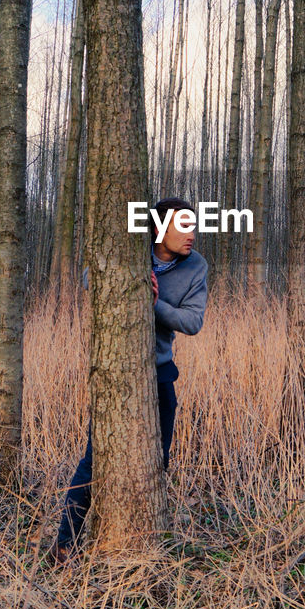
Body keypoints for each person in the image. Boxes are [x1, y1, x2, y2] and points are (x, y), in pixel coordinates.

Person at [50, 197, 209, 560]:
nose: (191, 235)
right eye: (182, 227)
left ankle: (143, 544)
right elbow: (92, 277)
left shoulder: (196, 266)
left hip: (161, 372)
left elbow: (193, 322)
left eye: (194, 226)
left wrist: (153, 304)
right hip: (119, 371)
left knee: (157, 460)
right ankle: (64, 545)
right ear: (158, 230)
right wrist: (133, 284)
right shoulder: (131, 249)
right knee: (96, 458)